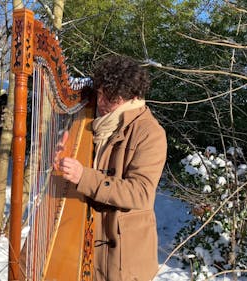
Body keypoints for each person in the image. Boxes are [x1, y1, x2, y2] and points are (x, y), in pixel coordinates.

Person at [54, 55, 167, 281]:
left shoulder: (150, 133)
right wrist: (62, 159)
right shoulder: (92, 123)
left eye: (111, 98)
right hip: (86, 241)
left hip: (123, 254)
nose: (102, 103)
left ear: (133, 97)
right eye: (100, 94)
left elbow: (141, 193)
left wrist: (83, 176)